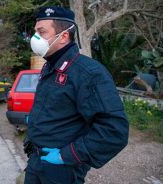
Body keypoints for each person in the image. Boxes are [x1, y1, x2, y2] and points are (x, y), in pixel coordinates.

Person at [23, 6, 129, 184]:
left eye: (41, 32)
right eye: (35, 32)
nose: (35, 38)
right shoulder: (49, 66)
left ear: (63, 36)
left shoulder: (88, 73)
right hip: (36, 161)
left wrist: (67, 155)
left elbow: (114, 131)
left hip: (61, 170)